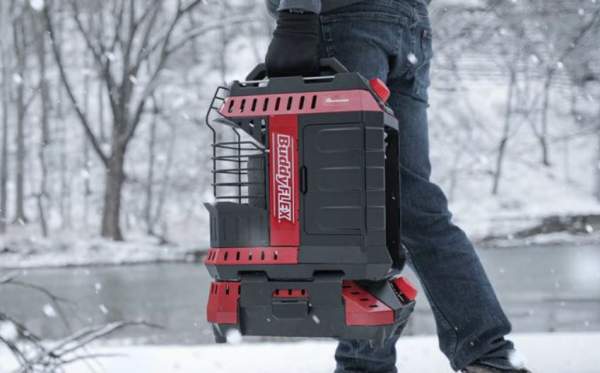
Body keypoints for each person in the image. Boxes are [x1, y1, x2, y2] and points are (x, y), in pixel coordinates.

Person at [263, 1, 532, 373]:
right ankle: (486, 354)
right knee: (408, 203)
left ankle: (365, 365)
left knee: (354, 207)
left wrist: (295, 12)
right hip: (408, 26)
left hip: (345, 20)